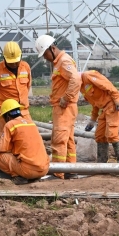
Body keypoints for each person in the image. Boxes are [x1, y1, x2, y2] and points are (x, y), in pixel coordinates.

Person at [35, 34, 81, 179]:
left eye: (45, 54)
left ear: (52, 48)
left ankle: (58, 172)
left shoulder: (63, 61)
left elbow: (76, 79)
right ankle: (70, 169)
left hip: (64, 108)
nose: (45, 58)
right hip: (66, 108)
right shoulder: (59, 62)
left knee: (59, 140)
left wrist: (66, 97)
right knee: (68, 140)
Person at [0, 99, 50, 185]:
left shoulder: (10, 124)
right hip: (44, 169)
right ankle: (34, 176)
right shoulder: (31, 123)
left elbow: (2, 147)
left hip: (27, 171)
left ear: (7, 116)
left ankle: (18, 176)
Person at [0, 41, 32, 137]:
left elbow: (27, 85)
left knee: (27, 137)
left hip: (23, 110)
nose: (14, 64)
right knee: (5, 140)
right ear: (4, 58)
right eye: (11, 61)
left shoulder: (25, 67)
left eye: (16, 61)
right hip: (4, 112)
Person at [81, 70, 119, 163]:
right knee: (100, 136)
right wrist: (92, 120)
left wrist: (118, 99)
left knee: (112, 135)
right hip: (104, 109)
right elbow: (95, 103)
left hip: (113, 106)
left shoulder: (87, 76)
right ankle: (102, 162)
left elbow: (108, 85)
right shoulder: (81, 87)